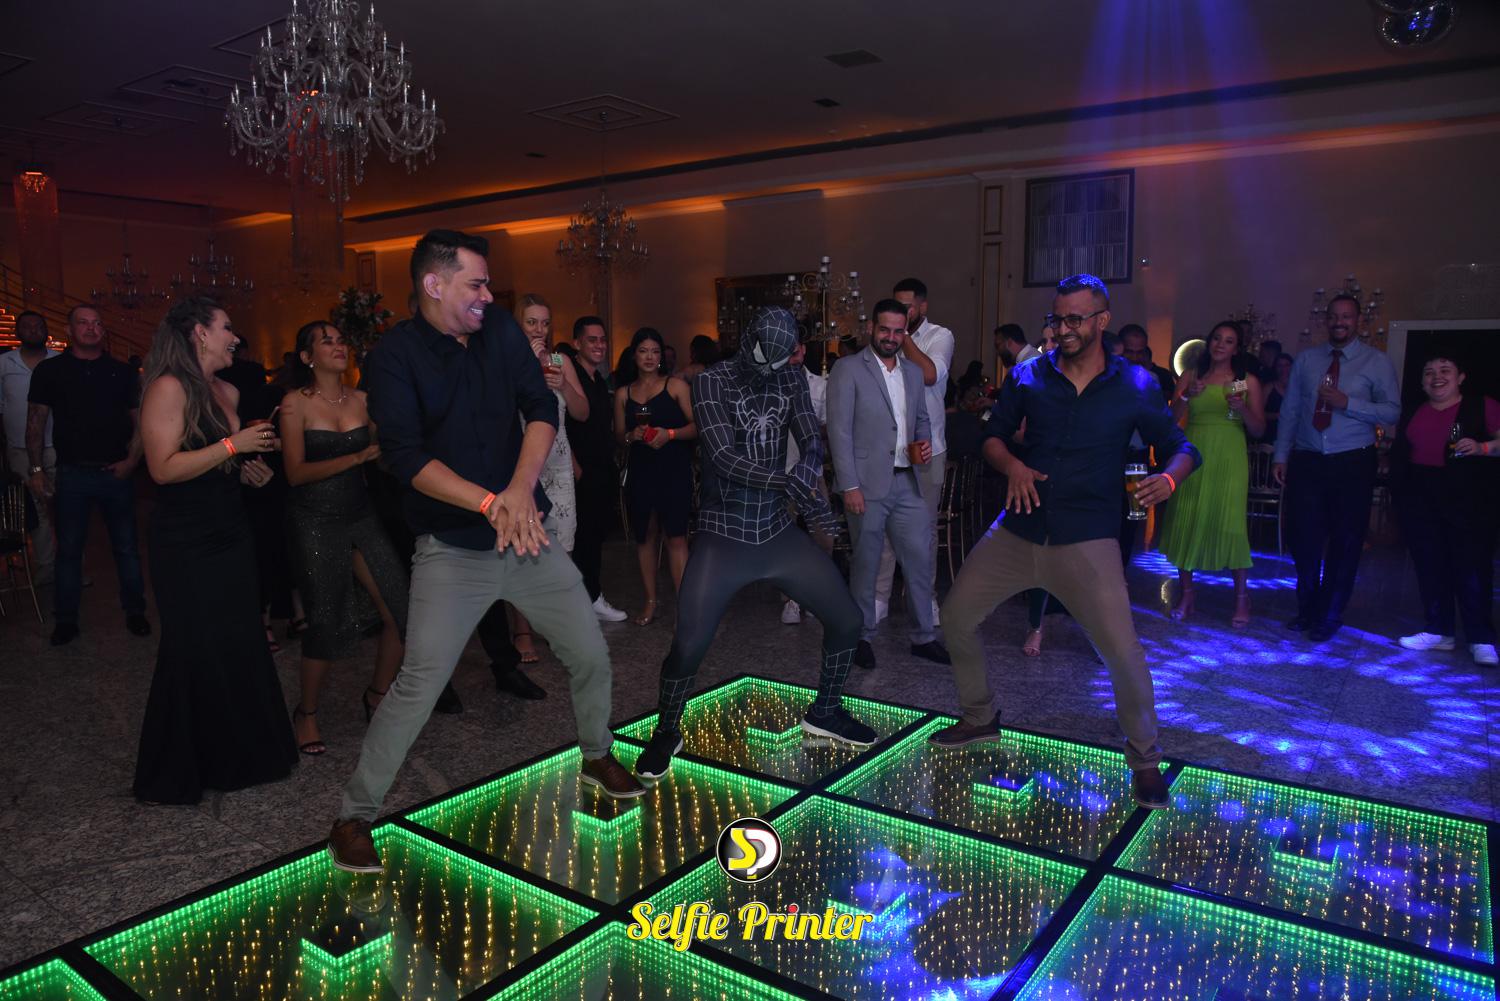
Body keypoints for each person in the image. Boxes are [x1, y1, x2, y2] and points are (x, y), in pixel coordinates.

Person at [329, 230, 643, 874]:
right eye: (475, 283)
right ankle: (353, 816)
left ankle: (596, 752)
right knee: (419, 682)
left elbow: (540, 407)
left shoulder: (498, 330)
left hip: (526, 535)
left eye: (487, 284)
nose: (486, 294)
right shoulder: (393, 356)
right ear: (434, 284)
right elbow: (406, 458)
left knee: (588, 651)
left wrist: (520, 491)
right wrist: (491, 503)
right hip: (452, 548)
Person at [933, 274, 1200, 811]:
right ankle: (980, 716)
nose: (1063, 329)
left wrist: (1168, 480)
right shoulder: (1029, 375)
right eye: (1058, 318)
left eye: (1075, 319)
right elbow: (992, 436)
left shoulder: (1135, 384)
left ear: (1102, 320)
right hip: (1019, 527)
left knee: (1122, 653)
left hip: (1087, 538)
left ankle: (1145, 759)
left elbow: (1183, 447)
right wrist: (1012, 465)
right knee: (956, 618)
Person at [632, 307, 877, 780]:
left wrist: (808, 467)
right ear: (748, 340)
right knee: (688, 644)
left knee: (847, 620)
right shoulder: (712, 381)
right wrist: (790, 483)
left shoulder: (790, 377)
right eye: (766, 356)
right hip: (724, 534)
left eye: (781, 359)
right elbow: (723, 457)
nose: (770, 368)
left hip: (775, 530)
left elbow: (811, 437)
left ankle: (826, 712)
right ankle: (666, 730)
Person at [132, 296, 296, 804]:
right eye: (226, 327)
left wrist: (245, 471)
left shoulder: (227, 389)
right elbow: (163, 468)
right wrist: (232, 447)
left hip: (231, 529)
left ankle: (242, 756)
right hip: (185, 538)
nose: (235, 337)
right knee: (193, 643)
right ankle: (183, 766)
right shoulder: (167, 387)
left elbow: (214, 463)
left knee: (238, 637)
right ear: (199, 333)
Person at [281, 321, 412, 754]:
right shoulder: (295, 404)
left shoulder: (363, 400)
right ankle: (307, 713)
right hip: (315, 519)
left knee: (400, 607)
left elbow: (385, 457)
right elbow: (295, 473)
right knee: (325, 619)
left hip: (361, 515)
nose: (339, 347)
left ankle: (377, 695)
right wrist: (357, 457)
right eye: (327, 342)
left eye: (341, 340)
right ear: (307, 357)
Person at [479, 293, 591, 696]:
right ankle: (522, 633)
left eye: (545, 322)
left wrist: (564, 385)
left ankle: (562, 631)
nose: (540, 329)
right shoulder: (503, 360)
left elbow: (581, 413)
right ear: (517, 325)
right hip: (521, 468)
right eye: (531, 322)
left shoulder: (559, 360)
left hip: (557, 466)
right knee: (523, 552)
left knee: (563, 551)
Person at [827, 298, 948, 670]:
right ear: (871, 328)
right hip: (865, 485)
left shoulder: (912, 372)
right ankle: (861, 637)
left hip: (907, 481)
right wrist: (849, 486)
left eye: (898, 331)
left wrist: (922, 445)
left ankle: (924, 637)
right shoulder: (848, 369)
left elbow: (921, 418)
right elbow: (839, 432)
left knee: (920, 560)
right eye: (885, 330)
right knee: (866, 564)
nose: (891, 338)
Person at [1273, 294, 1399, 642]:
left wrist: (1349, 403)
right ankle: (1307, 607)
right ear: (1325, 320)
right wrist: (1281, 455)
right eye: (1333, 316)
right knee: (1304, 539)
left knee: (1345, 541)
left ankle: (1330, 613)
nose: (1339, 322)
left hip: (1353, 460)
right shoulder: (1307, 360)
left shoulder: (1376, 362)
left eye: (1346, 316)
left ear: (1358, 321)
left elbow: (1391, 412)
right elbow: (1291, 411)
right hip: (1308, 459)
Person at [26, 305, 150, 645]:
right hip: (72, 474)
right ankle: (66, 620)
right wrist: (36, 469)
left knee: (126, 548)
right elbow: (35, 421)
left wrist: (132, 461)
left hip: (116, 473)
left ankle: (135, 612)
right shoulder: (51, 371)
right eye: (83, 323)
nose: (91, 328)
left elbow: (141, 421)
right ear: (69, 330)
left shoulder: (122, 372)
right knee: (68, 551)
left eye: (96, 323)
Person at [1391, 353, 1500, 666]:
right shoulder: (1415, 410)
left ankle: (1481, 638)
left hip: (1468, 498)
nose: (1436, 377)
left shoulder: (1482, 405)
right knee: (1430, 564)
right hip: (1422, 495)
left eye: (1445, 370)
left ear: (1460, 377)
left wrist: (1482, 447)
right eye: (1429, 372)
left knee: (1471, 568)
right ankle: (1439, 631)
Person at [1159, 321, 1265, 627]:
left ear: (1236, 348)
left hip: (1229, 456)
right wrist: (1185, 396)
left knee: (1230, 522)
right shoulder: (1191, 376)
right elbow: (1169, 420)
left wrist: (1242, 409)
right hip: (1192, 453)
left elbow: (1259, 429)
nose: (1220, 344)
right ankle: (1187, 595)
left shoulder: (1244, 381)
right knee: (1186, 517)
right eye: (1217, 338)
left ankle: (1242, 599)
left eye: (1228, 341)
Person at [874, 277, 954, 626]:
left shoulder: (940, 336)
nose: (902, 312)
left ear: (922, 306)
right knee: (884, 526)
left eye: (907, 307)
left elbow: (930, 374)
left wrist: (903, 335)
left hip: (928, 448)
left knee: (923, 530)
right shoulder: (886, 339)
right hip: (891, 449)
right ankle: (879, 598)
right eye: (897, 305)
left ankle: (925, 598)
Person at [614, 327, 696, 626]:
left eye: (655, 351)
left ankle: (685, 606)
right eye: (643, 351)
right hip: (642, 470)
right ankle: (650, 601)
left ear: (661, 356)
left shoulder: (676, 386)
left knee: (676, 536)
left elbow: (697, 427)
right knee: (645, 536)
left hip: (673, 469)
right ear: (634, 355)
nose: (649, 357)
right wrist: (632, 436)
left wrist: (669, 434)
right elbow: (619, 436)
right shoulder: (624, 394)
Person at [565, 315, 630, 622]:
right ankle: (586, 601)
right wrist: (576, 468)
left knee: (595, 537)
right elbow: (563, 425)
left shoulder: (598, 380)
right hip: (581, 471)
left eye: (603, 340)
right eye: (592, 340)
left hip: (602, 468)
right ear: (577, 343)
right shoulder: (569, 369)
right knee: (581, 540)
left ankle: (591, 596)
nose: (600, 345)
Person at [1, 311, 59, 583]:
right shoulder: (4, 363)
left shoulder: (59, 361)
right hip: (20, 449)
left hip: (58, 446)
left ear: (46, 330)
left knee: (66, 508)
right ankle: (46, 566)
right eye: (27, 326)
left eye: (39, 325)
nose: (34, 330)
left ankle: (73, 567)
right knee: (35, 510)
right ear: (17, 332)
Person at [780, 338, 828, 625]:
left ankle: (815, 595)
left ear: (804, 350)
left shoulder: (821, 386)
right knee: (785, 541)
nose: (792, 358)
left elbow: (830, 427)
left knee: (823, 539)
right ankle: (791, 599)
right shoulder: (768, 385)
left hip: (812, 472)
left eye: (795, 351)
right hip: (780, 472)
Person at [1119, 323, 1175, 400]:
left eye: (1139, 352)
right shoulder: (1107, 377)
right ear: (1119, 348)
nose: (1134, 358)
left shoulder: (1155, 378)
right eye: (1129, 352)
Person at [1260, 352, 1294, 444]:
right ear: (1275, 368)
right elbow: (1258, 413)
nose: (1284, 369)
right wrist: (1277, 416)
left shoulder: (1298, 389)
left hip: (1292, 437)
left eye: (1287, 365)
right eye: (1280, 365)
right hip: (1271, 436)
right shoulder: (1269, 387)